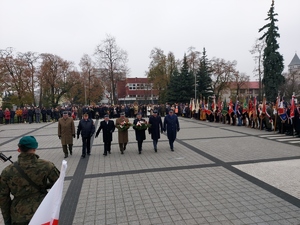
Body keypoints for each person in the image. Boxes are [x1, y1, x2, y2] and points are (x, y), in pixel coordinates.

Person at [0, 136, 60, 225]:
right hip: (42, 212)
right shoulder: (46, 165)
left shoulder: (7, 171)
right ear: (34, 148)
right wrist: (44, 186)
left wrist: (7, 219)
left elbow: (3, 198)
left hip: (19, 216)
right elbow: (58, 184)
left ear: (19, 149)